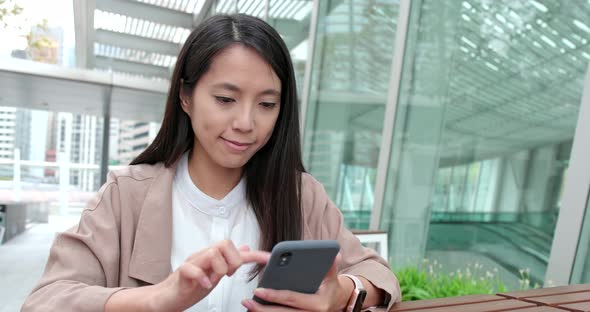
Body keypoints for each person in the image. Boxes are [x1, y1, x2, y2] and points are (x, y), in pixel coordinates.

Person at [22, 14, 400, 312]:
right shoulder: (126, 195)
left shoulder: (301, 194)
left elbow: (377, 274)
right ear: (185, 97)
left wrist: (343, 294)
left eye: (267, 104)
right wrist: (157, 299)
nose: (246, 123)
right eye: (225, 99)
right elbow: (46, 301)